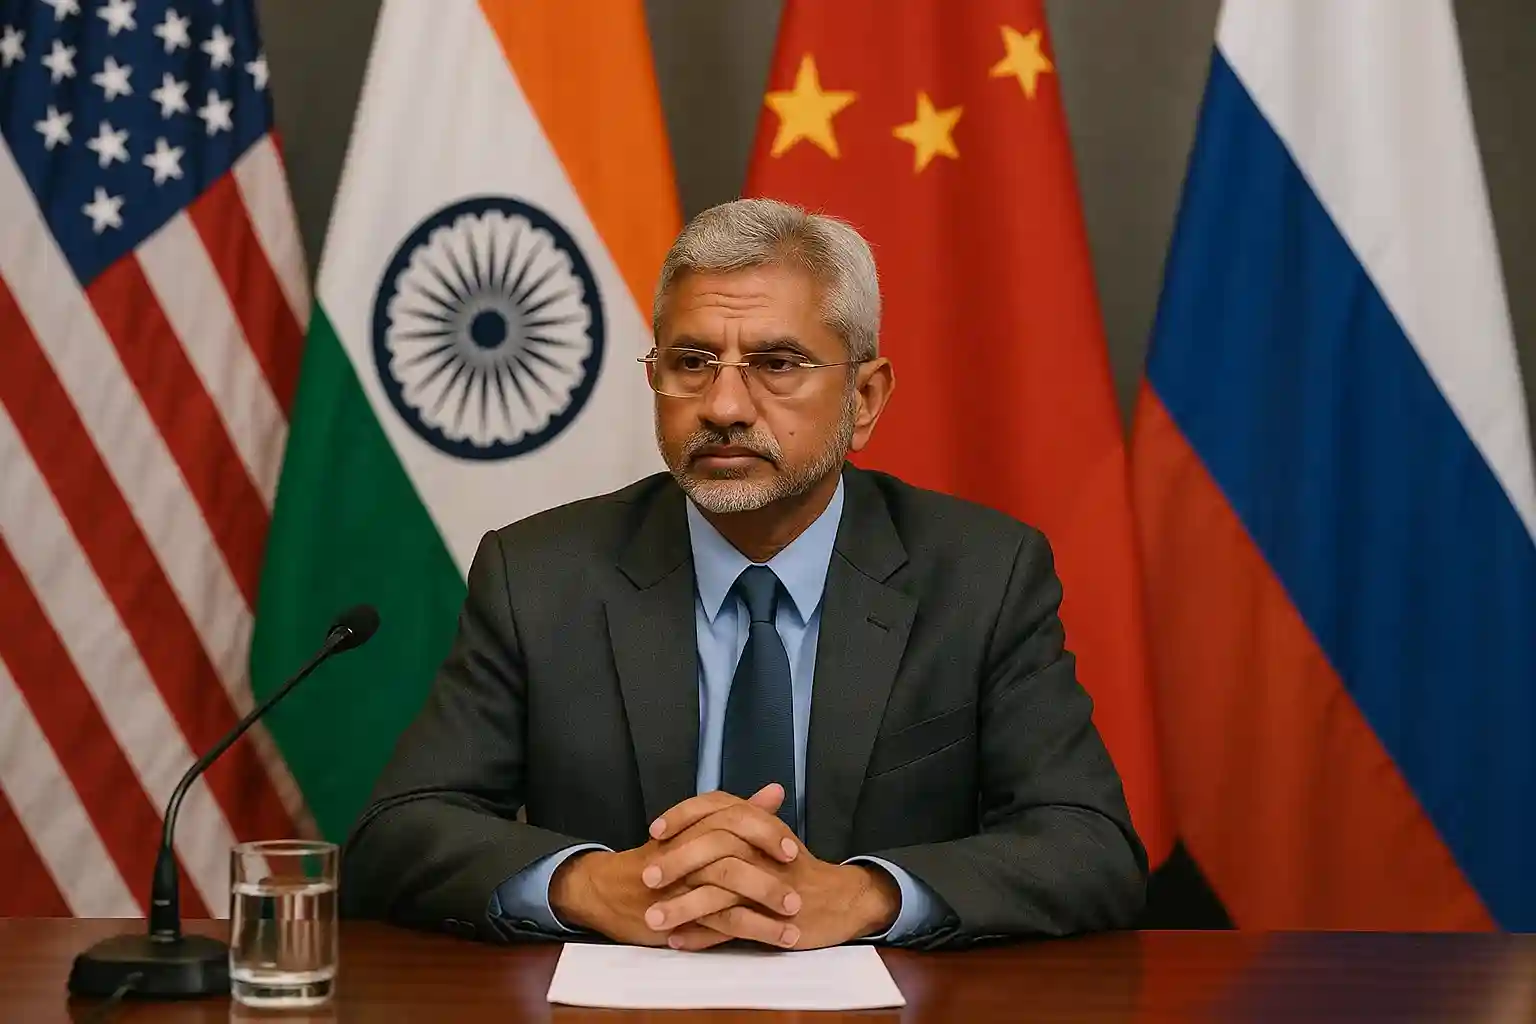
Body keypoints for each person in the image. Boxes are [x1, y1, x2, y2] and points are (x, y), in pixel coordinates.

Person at [340, 198, 1147, 950]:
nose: (724, 405)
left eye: (777, 363)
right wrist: (590, 885)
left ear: (864, 398)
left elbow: (1091, 845)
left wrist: (866, 896)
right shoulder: (540, 576)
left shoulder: (981, 576)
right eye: (692, 361)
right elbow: (396, 834)